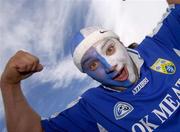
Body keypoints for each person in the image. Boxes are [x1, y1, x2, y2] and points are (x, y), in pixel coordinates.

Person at [0, 0, 180, 132]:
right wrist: (9, 85)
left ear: (121, 43)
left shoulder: (159, 44)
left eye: (109, 49)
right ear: (89, 74)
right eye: (93, 64)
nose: (109, 65)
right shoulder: (93, 107)